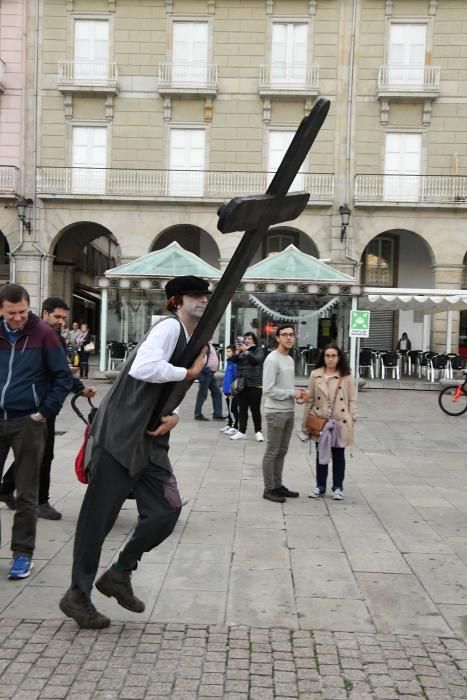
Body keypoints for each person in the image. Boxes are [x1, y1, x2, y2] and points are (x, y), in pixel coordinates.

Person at [59, 275, 209, 629]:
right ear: (176, 300)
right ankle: (77, 595)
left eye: (205, 294)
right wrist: (187, 371)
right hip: (120, 435)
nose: (202, 299)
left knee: (167, 510)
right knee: (98, 519)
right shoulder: (168, 329)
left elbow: (169, 391)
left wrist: (173, 415)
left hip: (150, 441)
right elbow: (144, 368)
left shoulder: (193, 336)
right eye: (194, 294)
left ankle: (120, 573)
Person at [0, 297, 96, 520]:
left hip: (44, 407)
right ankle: (39, 501)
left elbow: (60, 370)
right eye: (57, 317)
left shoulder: (51, 337)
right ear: (44, 313)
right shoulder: (39, 335)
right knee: (41, 454)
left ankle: (7, 489)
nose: (62, 321)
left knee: (38, 453)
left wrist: (79, 389)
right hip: (33, 407)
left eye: (64, 317)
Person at [0, 285, 72, 580]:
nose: (18, 318)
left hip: (28, 422)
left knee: (27, 494)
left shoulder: (43, 334)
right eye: (11, 313)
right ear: (1, 310)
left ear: (29, 307)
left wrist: (44, 412)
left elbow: (62, 377)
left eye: (22, 312)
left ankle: (22, 555)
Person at [303, 343, 357, 501]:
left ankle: (338, 487)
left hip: (340, 422)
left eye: (334, 356)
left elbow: (353, 400)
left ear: (339, 357)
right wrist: (305, 423)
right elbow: (309, 399)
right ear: (323, 357)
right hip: (320, 421)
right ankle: (320, 486)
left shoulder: (346, 375)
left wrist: (351, 417)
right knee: (321, 454)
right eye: (327, 355)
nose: (330, 359)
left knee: (339, 455)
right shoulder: (315, 374)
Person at [262, 325, 306, 503]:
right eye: (285, 335)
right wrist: (291, 393)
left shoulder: (289, 359)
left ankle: (278, 485)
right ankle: (269, 488)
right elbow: (268, 389)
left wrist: (297, 393)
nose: (289, 338)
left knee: (282, 451)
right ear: (277, 338)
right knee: (272, 451)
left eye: (291, 335)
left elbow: (285, 386)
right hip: (275, 412)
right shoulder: (272, 359)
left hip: (289, 411)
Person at [230, 331, 265, 442]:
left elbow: (256, 361)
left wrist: (246, 351)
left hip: (255, 384)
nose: (247, 341)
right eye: (246, 339)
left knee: (255, 410)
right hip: (241, 384)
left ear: (254, 340)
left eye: (250, 339)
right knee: (242, 409)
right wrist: (237, 351)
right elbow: (232, 360)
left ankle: (258, 431)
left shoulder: (258, 350)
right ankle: (242, 431)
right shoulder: (241, 351)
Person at [194, 340, 224, 421]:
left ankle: (217, 414)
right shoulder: (204, 345)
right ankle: (198, 414)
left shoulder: (210, 344)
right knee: (202, 394)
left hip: (210, 374)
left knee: (217, 393)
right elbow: (199, 359)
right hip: (206, 374)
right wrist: (207, 371)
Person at [220, 344, 239, 435]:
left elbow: (235, 377)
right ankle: (229, 423)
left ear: (234, 352)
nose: (227, 353)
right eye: (226, 351)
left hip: (232, 390)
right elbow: (227, 376)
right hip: (226, 389)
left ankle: (235, 426)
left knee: (232, 409)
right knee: (228, 409)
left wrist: (233, 390)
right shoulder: (229, 362)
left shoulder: (234, 363)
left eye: (229, 351)